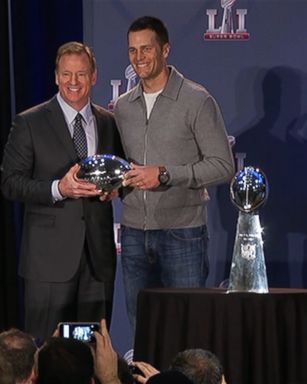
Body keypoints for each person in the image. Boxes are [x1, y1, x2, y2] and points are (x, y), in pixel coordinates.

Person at [114, 16, 235, 331]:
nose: (139, 58)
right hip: (133, 236)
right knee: (144, 329)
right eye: (132, 50)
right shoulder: (122, 107)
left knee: (189, 328)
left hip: (183, 234)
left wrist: (166, 174)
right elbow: (122, 166)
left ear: (165, 49)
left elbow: (223, 165)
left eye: (146, 49)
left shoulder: (196, 100)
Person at [1, 41, 123, 344]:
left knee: (93, 351)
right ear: (56, 76)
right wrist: (59, 188)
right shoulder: (29, 122)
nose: (73, 82)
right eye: (66, 74)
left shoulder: (108, 122)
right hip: (48, 262)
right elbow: (10, 183)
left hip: (97, 261)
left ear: (94, 76)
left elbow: (118, 174)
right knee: (47, 351)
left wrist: (114, 190)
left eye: (81, 74)